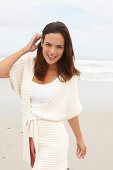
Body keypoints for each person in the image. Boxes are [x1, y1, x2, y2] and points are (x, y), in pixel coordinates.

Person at [0, 21, 87, 170]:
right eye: (48, 44)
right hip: (32, 136)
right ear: (41, 43)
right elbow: (1, 71)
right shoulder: (28, 64)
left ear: (65, 49)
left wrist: (80, 139)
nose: (52, 51)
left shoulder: (68, 77)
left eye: (59, 46)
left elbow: (71, 111)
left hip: (54, 140)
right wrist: (25, 49)